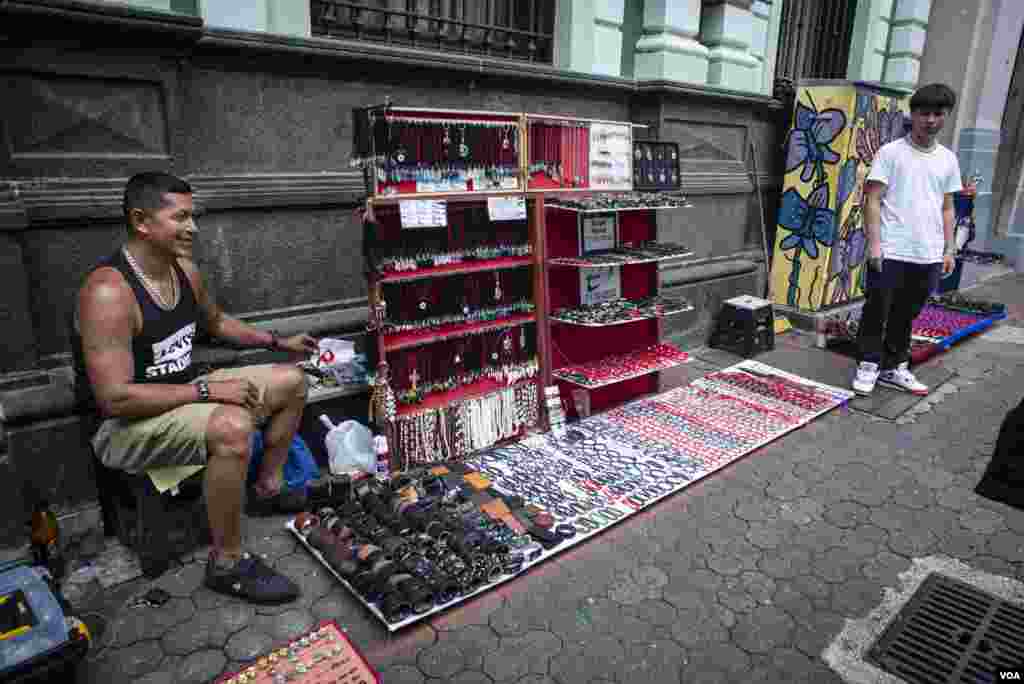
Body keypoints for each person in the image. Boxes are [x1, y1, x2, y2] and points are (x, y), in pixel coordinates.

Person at [73, 172, 319, 604]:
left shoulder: (183, 269)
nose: (194, 228)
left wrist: (279, 343)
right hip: (126, 427)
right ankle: (226, 563)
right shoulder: (109, 293)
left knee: (292, 382)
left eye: (193, 216)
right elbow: (114, 400)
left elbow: (217, 323)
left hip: (182, 394)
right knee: (233, 426)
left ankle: (267, 491)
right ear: (141, 221)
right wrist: (208, 394)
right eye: (181, 217)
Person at [853, 84, 962, 395]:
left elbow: (947, 206)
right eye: (923, 113)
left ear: (946, 117)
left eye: (937, 114)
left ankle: (894, 366)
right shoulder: (891, 153)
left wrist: (948, 248)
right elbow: (872, 199)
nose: (930, 120)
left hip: (927, 252)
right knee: (877, 308)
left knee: (907, 313)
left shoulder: (948, 160)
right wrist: (875, 245)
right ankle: (868, 364)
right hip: (891, 247)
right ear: (912, 115)